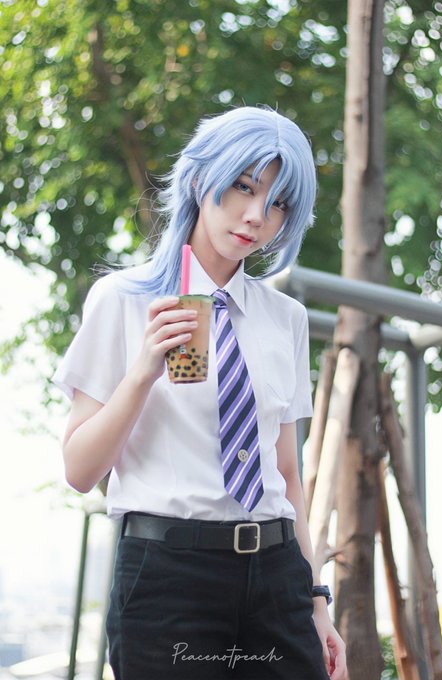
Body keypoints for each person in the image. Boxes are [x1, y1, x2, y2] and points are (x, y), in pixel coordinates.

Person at [53, 106, 347, 680]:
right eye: (244, 187)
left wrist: (316, 603)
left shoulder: (285, 318)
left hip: (277, 577)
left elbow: (287, 476)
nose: (257, 215)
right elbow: (80, 470)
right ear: (198, 179)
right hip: (169, 578)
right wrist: (142, 372)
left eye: (279, 202)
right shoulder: (123, 300)